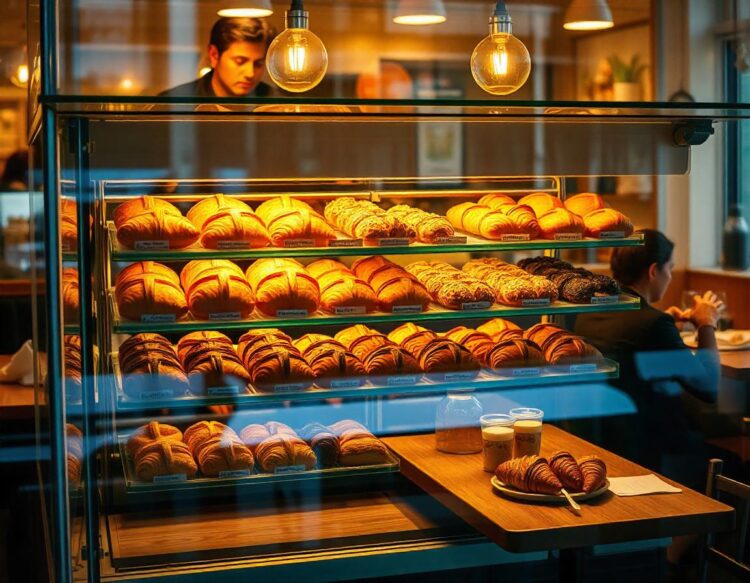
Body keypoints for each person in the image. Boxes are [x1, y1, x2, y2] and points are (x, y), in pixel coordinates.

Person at [574, 229, 722, 487]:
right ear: (654, 271)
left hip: (598, 444)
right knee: (734, 458)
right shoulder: (652, 324)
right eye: (670, 268)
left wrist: (666, 328)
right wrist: (707, 324)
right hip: (646, 453)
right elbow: (708, 386)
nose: (670, 276)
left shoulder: (589, 310)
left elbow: (632, 350)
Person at [160, 17, 276, 98]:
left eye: (258, 64)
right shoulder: (173, 103)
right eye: (240, 61)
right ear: (214, 56)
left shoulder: (279, 106)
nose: (250, 73)